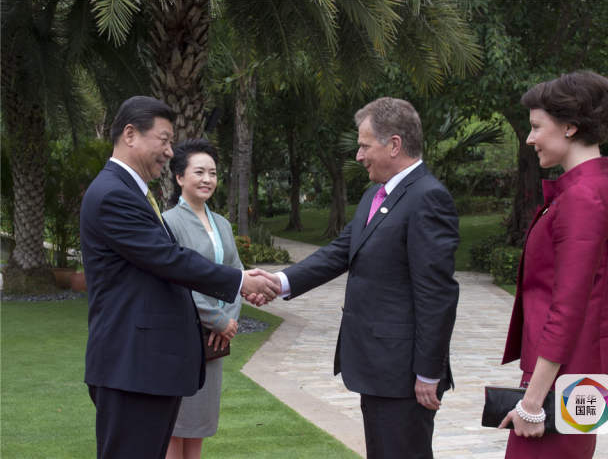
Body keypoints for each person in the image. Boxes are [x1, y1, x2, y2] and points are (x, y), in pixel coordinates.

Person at [252, 97, 459, 459]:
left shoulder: (428, 198)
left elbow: (436, 295)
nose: (359, 156)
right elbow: (339, 252)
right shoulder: (375, 194)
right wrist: (279, 282)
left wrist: (429, 372)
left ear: (394, 144)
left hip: (403, 373)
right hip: (377, 367)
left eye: (364, 146)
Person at [80, 96, 279, 459]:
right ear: (130, 134)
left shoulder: (130, 191)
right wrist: (239, 281)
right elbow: (169, 259)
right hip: (132, 367)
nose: (170, 152)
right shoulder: (113, 194)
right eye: (164, 140)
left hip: (146, 368)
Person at [499, 71, 608, 458]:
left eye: (537, 127)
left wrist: (532, 403)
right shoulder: (599, 187)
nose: (530, 138)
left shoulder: (583, 197)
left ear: (570, 127)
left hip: (563, 378)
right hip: (574, 373)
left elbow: (568, 307)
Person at [162, 139, 242, 459]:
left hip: (214, 340)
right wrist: (218, 319)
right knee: (175, 425)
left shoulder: (222, 223)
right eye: (199, 172)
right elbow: (177, 278)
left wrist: (230, 319)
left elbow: (236, 273)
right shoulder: (168, 222)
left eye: (213, 173)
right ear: (180, 177)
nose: (207, 179)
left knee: (199, 425)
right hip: (182, 336)